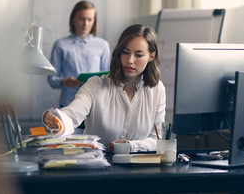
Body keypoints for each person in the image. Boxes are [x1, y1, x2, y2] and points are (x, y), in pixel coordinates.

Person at [43, 24, 166, 153]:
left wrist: (132, 146)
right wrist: (55, 117)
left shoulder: (157, 90)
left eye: (138, 55)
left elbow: (157, 138)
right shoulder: (95, 85)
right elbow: (72, 114)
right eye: (125, 52)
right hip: (97, 166)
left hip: (138, 169)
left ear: (151, 56)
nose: (130, 60)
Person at [48, 0, 111, 108]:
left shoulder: (103, 45)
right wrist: (65, 82)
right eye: (81, 19)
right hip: (68, 104)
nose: (85, 24)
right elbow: (52, 79)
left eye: (89, 19)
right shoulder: (60, 45)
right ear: (73, 19)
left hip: (95, 105)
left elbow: (108, 78)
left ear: (94, 21)